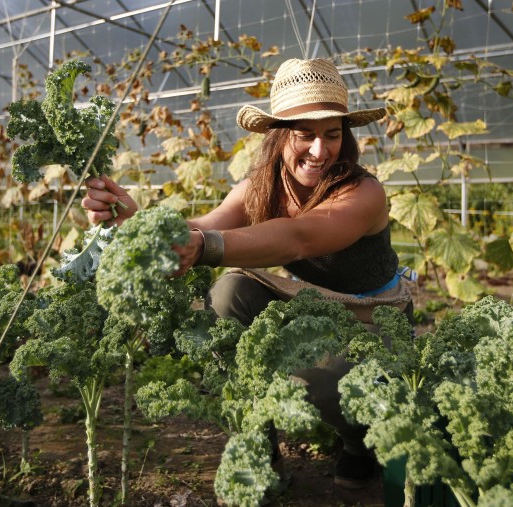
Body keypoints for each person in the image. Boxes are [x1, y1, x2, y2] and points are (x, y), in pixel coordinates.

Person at [82, 58, 413, 489]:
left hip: (372, 319)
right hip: (311, 307)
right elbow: (205, 225)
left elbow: (300, 238)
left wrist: (203, 249)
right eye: (305, 135)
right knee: (229, 293)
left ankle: (357, 442)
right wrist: (133, 219)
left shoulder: (363, 192)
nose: (320, 150)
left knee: (318, 377)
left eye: (332, 135)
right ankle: (257, 446)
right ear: (279, 136)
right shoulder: (262, 184)